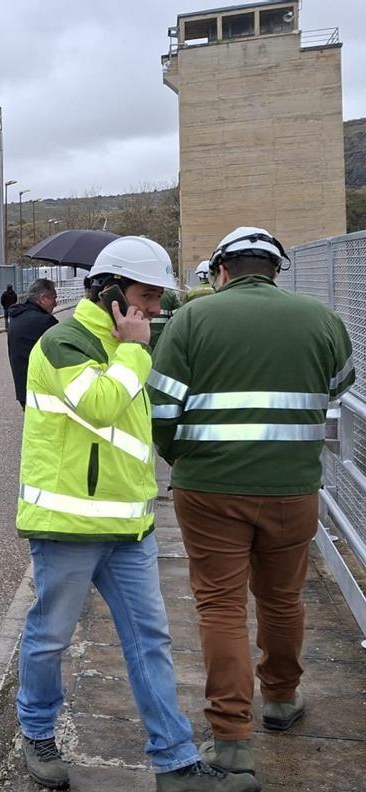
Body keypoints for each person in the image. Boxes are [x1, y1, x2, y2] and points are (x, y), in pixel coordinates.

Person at [16, 236, 255, 792]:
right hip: (69, 526)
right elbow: (98, 405)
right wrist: (133, 350)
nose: (154, 309)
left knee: (151, 640)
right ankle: (37, 730)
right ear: (110, 292)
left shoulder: (133, 343)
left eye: (156, 299)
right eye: (147, 296)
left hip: (129, 525)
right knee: (51, 636)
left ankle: (174, 763)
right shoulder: (62, 343)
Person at [150, 227, 354, 780]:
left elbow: (161, 409)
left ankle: (233, 743)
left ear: (221, 270)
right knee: (283, 600)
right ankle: (282, 702)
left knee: (220, 608)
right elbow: (336, 387)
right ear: (276, 270)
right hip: (292, 489)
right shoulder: (320, 320)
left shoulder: (192, 320)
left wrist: (184, 459)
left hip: (209, 489)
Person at [6, 278, 58, 408]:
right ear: (42, 298)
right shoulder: (44, 321)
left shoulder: (17, 317)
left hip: (23, 388)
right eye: (53, 298)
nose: (56, 303)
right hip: (43, 390)